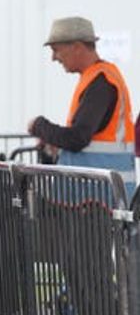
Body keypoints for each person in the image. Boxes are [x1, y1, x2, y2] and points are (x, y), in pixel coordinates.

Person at [29, 16, 135, 195]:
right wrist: (57, 144)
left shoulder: (101, 83)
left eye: (56, 50)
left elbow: (78, 138)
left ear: (77, 47)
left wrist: (39, 126)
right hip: (98, 195)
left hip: (98, 199)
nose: (54, 58)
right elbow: (88, 138)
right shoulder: (97, 78)